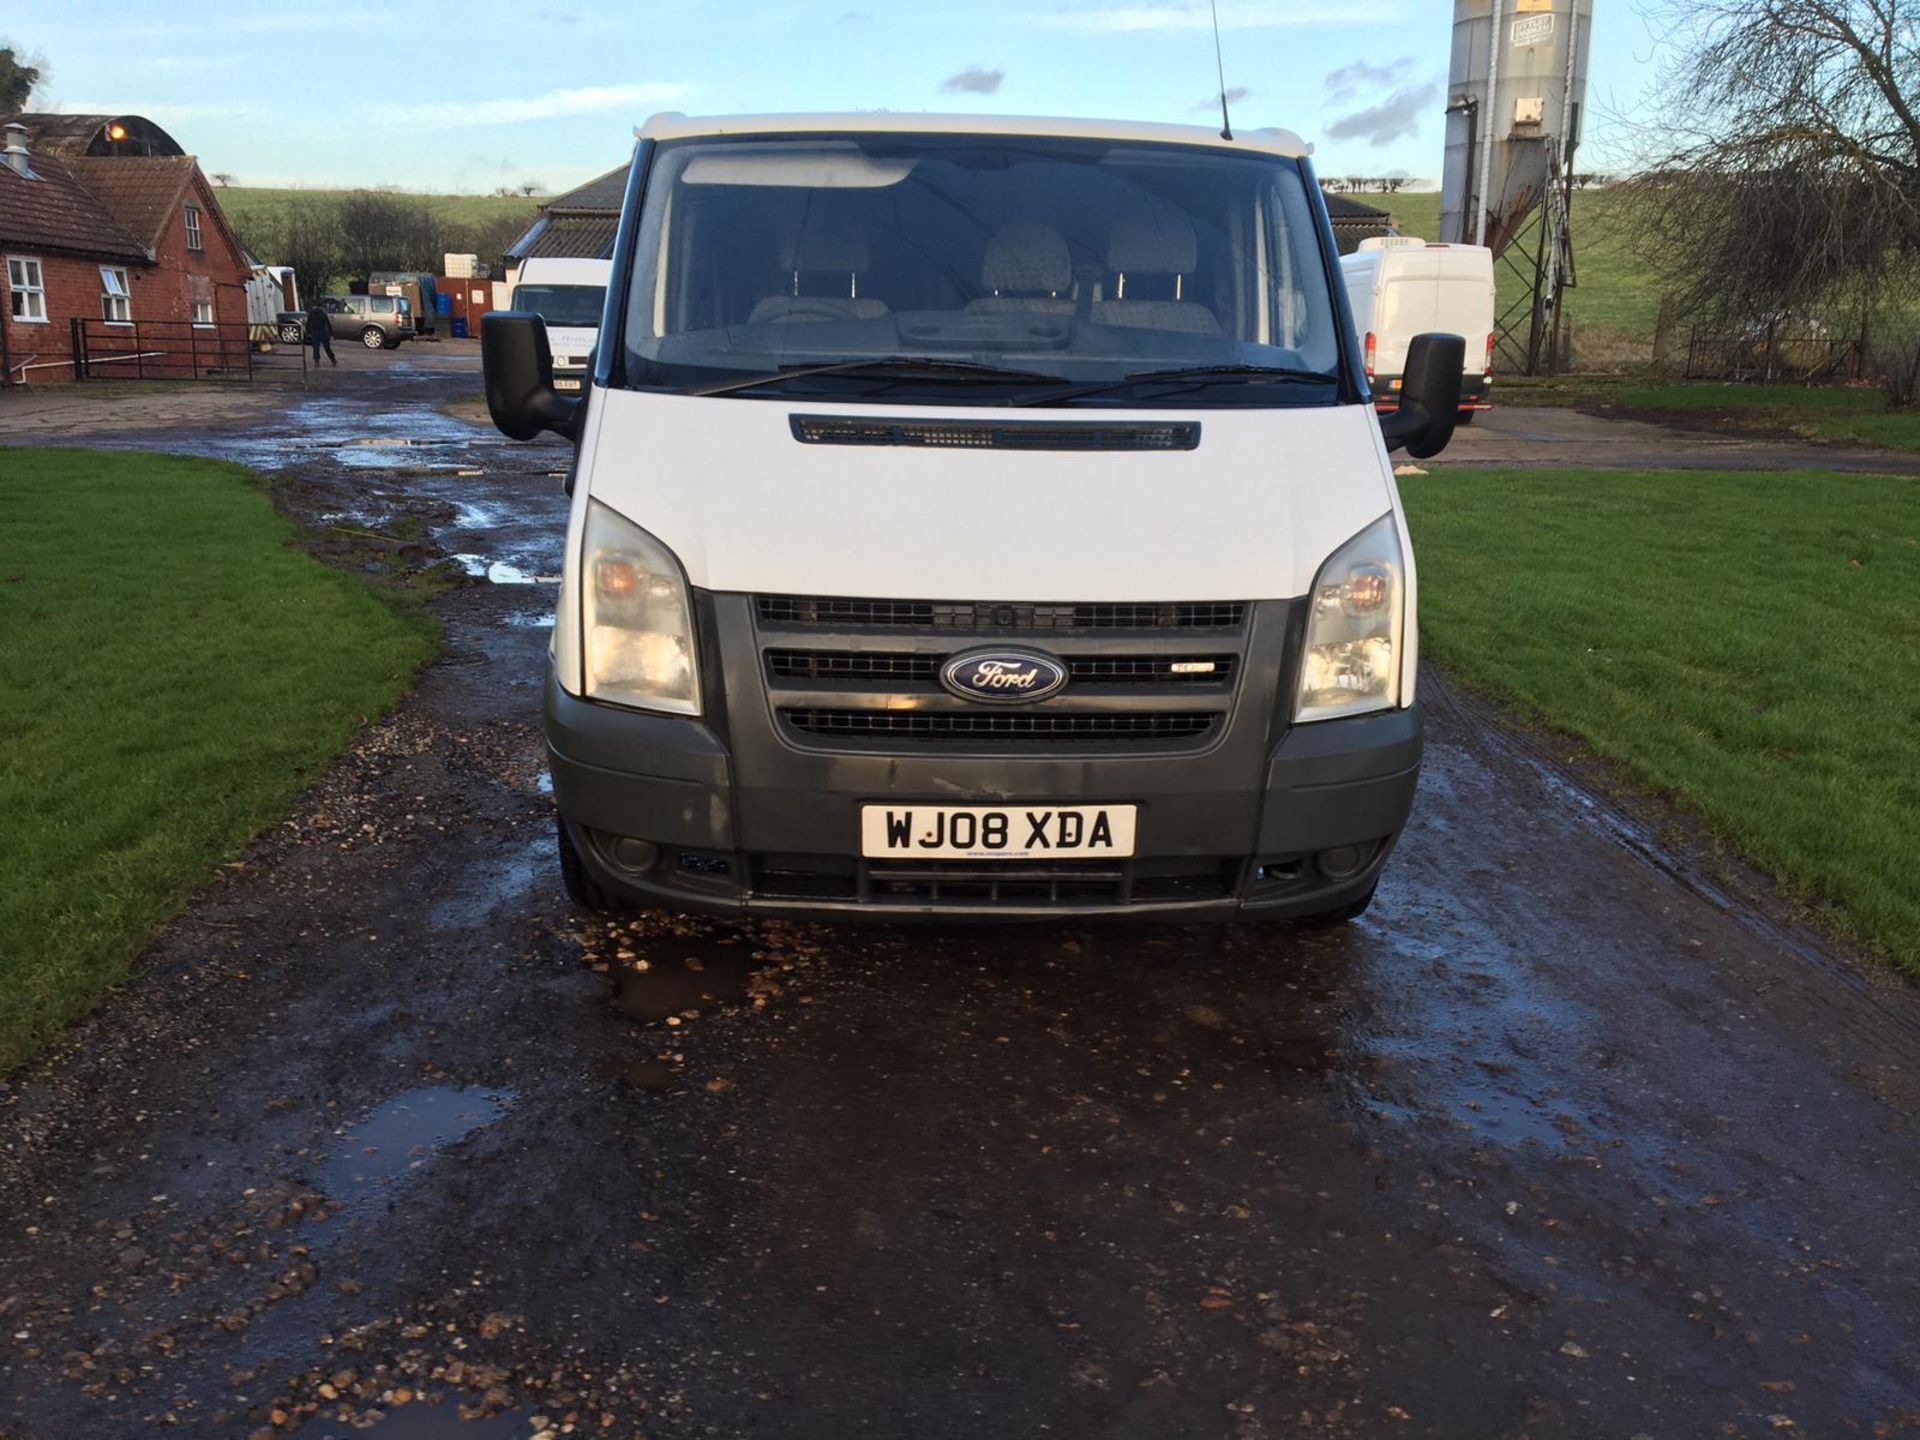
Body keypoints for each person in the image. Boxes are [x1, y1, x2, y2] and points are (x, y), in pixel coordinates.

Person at [304, 299, 337, 367]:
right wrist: (331, 334)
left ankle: (317, 362)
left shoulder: (311, 314)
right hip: (323, 332)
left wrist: (308, 332)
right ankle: (333, 359)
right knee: (327, 348)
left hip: (315, 332)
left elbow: (308, 324)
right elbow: (328, 324)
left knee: (316, 348)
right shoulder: (323, 314)